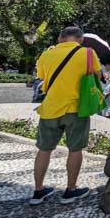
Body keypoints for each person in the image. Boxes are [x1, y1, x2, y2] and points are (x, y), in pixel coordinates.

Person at [30, 26, 98, 206]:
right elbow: (96, 76)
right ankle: (71, 189)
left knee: (44, 150)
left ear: (60, 38)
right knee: (75, 149)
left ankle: (38, 191)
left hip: (50, 108)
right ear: (81, 39)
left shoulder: (46, 54)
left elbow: (42, 77)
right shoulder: (88, 53)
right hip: (76, 108)